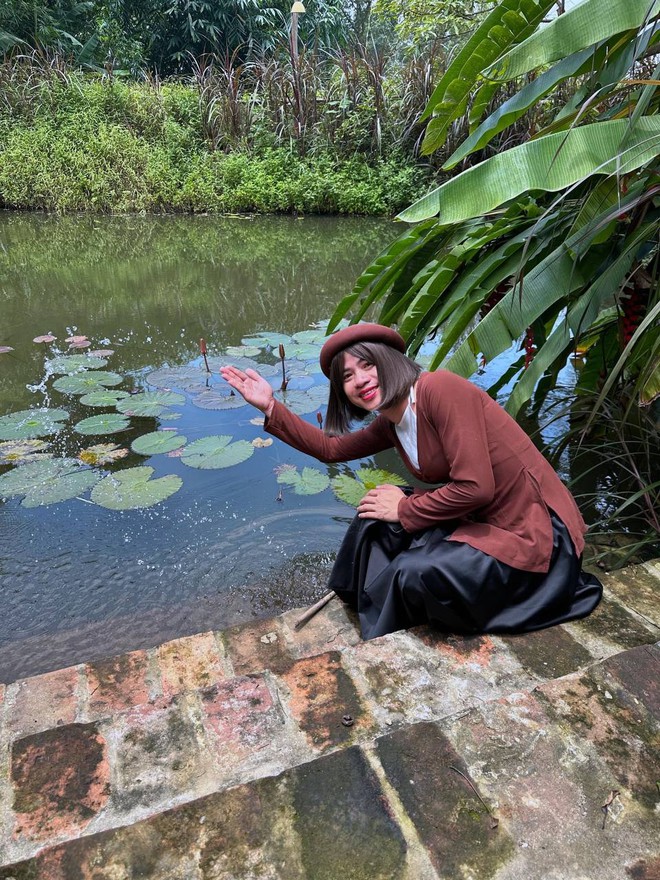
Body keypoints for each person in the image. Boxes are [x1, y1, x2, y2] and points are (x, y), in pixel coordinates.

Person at [220, 323, 602, 640]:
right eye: (348, 377)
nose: (361, 380)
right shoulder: (392, 420)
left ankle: (381, 642)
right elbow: (331, 449)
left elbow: (476, 488)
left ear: (388, 361)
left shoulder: (439, 389)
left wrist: (404, 509)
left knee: (413, 570)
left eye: (367, 365)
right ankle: (361, 603)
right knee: (372, 517)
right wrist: (271, 406)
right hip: (480, 517)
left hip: (533, 532)